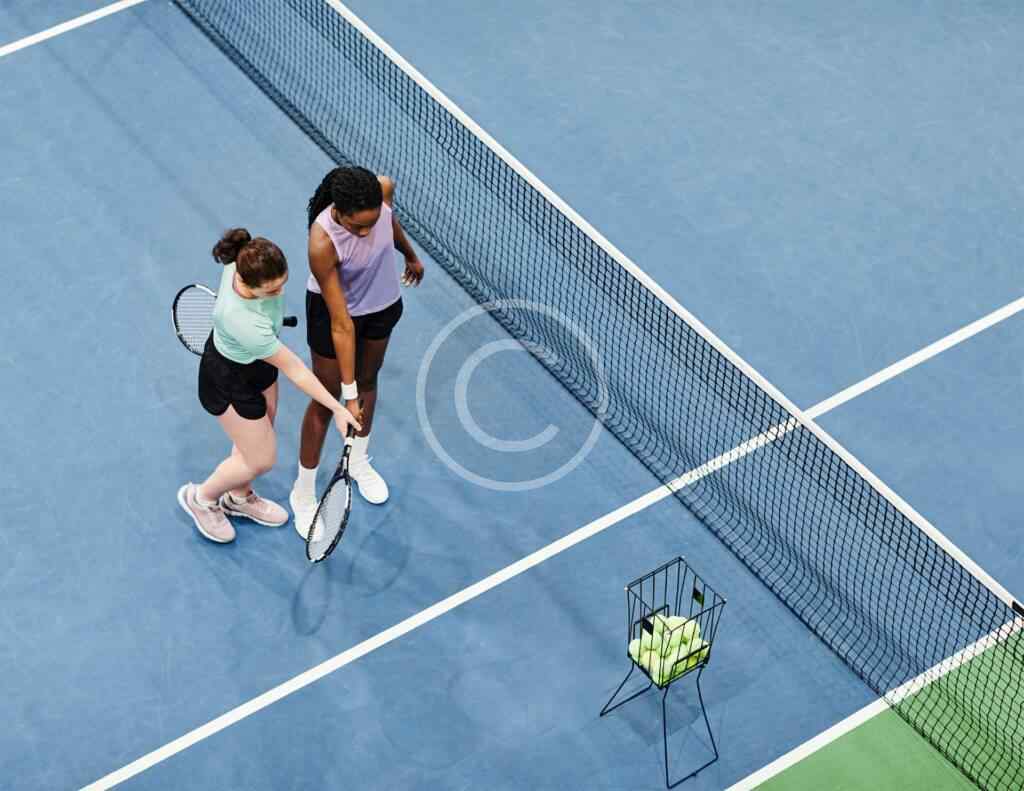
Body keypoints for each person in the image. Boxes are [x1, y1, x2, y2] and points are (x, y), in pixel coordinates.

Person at [178, 228, 361, 544]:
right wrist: (337, 408)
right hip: (228, 379)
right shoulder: (242, 321)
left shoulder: (244, 257)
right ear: (245, 282)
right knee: (260, 459)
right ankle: (201, 498)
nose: (279, 294)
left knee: (261, 431)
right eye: (271, 291)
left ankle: (238, 497)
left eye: (282, 285)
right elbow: (295, 369)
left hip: (257, 362)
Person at [289, 166, 423, 538]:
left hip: (382, 306)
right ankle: (303, 493)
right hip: (336, 316)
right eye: (356, 226)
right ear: (338, 210)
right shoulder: (322, 242)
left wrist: (410, 255)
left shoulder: (382, 190)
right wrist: (347, 398)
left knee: (369, 381)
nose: (365, 232)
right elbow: (341, 324)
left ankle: (358, 462)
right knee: (326, 398)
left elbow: (389, 223)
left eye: (370, 223)